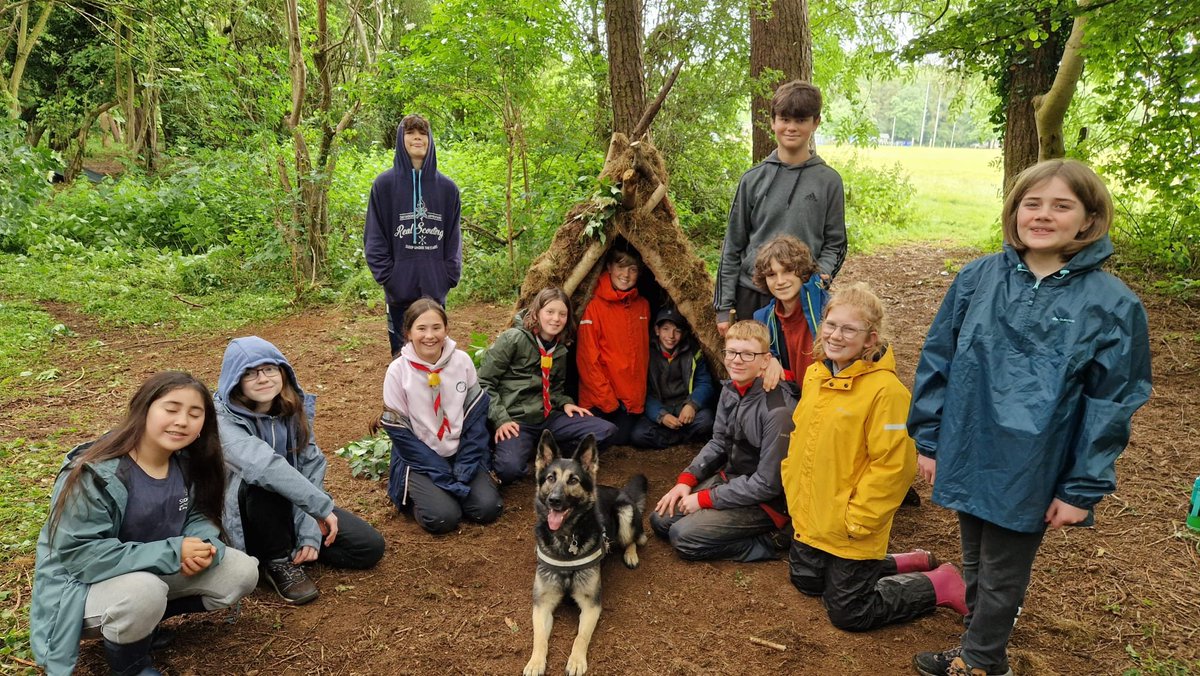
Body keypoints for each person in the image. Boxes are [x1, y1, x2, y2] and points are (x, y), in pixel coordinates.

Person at [907, 159, 1152, 676]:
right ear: (1014, 210)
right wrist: (929, 439)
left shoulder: (1112, 304)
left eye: (1061, 205)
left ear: (1088, 219)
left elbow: (1112, 402)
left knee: (1003, 569)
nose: (1042, 216)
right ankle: (978, 645)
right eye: (1031, 203)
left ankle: (982, 662)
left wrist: (1080, 488)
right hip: (970, 443)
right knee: (974, 556)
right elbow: (939, 358)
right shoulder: (978, 278)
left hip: (1036, 462)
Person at [31, 372, 259, 676]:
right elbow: (82, 556)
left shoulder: (185, 463)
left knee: (239, 571)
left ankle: (141, 627)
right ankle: (131, 665)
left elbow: (197, 515)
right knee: (144, 590)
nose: (182, 421)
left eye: (195, 413)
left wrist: (203, 544)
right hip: (80, 589)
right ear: (144, 408)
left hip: (145, 572)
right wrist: (173, 552)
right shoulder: (95, 473)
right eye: (171, 408)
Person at [781, 282, 965, 634]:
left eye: (849, 329)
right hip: (813, 515)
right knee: (806, 582)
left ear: (870, 339)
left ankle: (938, 584)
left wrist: (860, 519)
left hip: (854, 522)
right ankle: (903, 561)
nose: (835, 335)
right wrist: (792, 484)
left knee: (849, 613)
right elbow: (801, 438)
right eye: (831, 325)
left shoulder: (887, 392)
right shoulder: (817, 375)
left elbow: (894, 467)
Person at [216, 337, 385, 606]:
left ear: (283, 372)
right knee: (262, 483)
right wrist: (320, 509)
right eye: (250, 373)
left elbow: (311, 466)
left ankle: (295, 547)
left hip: (294, 507)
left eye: (269, 369)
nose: (262, 378)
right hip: (244, 514)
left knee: (368, 547)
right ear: (234, 380)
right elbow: (262, 466)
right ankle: (276, 562)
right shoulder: (222, 419)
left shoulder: (292, 409)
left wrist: (308, 529)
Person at [650, 320, 795, 562]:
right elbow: (718, 442)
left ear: (766, 359)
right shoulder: (731, 390)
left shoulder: (778, 410)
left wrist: (705, 499)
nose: (737, 360)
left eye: (748, 354)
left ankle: (770, 540)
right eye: (731, 352)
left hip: (766, 502)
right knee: (661, 520)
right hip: (732, 480)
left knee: (683, 537)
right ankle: (714, 518)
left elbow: (767, 484)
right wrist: (687, 480)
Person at [714, 80, 845, 335]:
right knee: (753, 368)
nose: (791, 128)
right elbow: (733, 245)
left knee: (800, 369)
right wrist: (723, 306)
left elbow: (836, 243)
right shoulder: (752, 179)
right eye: (784, 119)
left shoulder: (829, 181)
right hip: (751, 294)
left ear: (815, 123)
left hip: (803, 296)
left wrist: (820, 278)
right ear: (773, 122)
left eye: (801, 120)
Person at [378, 298, 503, 534]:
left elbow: (476, 418)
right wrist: (440, 471)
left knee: (488, 509)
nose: (430, 336)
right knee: (444, 518)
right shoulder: (398, 371)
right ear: (408, 332)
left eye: (436, 328)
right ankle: (422, 495)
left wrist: (464, 466)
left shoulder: (462, 362)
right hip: (420, 459)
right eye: (421, 329)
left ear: (446, 329)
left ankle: (453, 488)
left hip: (460, 453)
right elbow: (401, 435)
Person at [478, 287, 617, 484]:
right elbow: (484, 382)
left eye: (562, 314)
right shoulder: (513, 339)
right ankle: (517, 452)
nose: (555, 319)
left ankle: (556, 458)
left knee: (605, 431)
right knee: (509, 469)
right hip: (517, 421)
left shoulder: (560, 348)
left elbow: (555, 388)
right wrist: (501, 419)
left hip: (547, 417)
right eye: (549, 312)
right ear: (536, 313)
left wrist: (566, 402)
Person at [364, 113, 462, 356]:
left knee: (434, 351)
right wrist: (389, 276)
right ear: (401, 139)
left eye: (423, 134)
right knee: (402, 355)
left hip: (434, 288)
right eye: (410, 133)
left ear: (430, 140)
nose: (417, 138)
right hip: (399, 292)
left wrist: (447, 275)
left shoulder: (447, 189)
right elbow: (374, 236)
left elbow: (453, 239)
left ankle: (437, 396)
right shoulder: (384, 185)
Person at [576, 246, 651, 445]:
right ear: (609, 267)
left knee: (625, 439)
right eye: (621, 266)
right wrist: (609, 402)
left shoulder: (642, 306)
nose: (626, 275)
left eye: (633, 269)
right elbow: (587, 360)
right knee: (605, 439)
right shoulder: (593, 306)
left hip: (630, 402)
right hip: (602, 401)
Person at [629, 305, 717, 449]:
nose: (671, 336)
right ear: (657, 330)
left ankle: (670, 438)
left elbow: (705, 382)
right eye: (666, 329)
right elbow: (644, 392)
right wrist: (661, 416)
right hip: (661, 405)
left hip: (684, 407)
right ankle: (684, 437)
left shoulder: (693, 352)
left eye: (677, 331)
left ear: (683, 334)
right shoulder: (646, 353)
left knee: (707, 421)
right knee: (639, 434)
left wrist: (692, 405)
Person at [751, 235, 826, 393]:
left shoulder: (825, 308)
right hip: (791, 401)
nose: (780, 281)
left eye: (788, 271)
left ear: (802, 271)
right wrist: (770, 357)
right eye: (771, 275)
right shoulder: (763, 318)